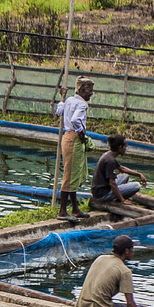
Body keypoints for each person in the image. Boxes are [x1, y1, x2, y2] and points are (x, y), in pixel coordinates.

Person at [76, 234, 152, 307]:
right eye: (132, 248)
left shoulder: (100, 258)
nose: (133, 251)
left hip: (83, 305)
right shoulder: (124, 270)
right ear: (127, 251)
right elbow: (130, 303)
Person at [54, 77, 95, 218]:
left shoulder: (70, 100)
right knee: (70, 175)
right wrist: (82, 132)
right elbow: (75, 120)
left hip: (66, 137)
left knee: (72, 174)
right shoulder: (82, 105)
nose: (91, 94)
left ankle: (75, 209)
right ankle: (62, 211)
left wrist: (62, 97)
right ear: (82, 91)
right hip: (74, 138)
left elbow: (59, 111)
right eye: (89, 91)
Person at [91, 134, 147, 207]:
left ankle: (117, 197)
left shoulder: (108, 155)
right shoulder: (110, 161)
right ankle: (118, 200)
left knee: (125, 176)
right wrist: (122, 200)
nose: (126, 149)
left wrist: (139, 174)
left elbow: (122, 169)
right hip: (103, 193)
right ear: (120, 147)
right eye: (125, 146)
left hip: (99, 189)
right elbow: (112, 183)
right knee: (136, 186)